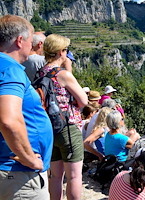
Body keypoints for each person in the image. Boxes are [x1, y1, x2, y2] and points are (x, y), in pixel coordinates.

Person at [0, 15, 53, 200]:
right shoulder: (10, 69)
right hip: (18, 177)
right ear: (19, 40)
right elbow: (8, 120)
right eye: (31, 41)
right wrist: (29, 158)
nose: (32, 47)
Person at [42, 33, 88, 200]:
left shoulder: (41, 72)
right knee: (74, 176)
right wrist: (69, 71)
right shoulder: (63, 74)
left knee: (55, 176)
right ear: (61, 52)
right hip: (68, 128)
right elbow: (83, 101)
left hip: (50, 127)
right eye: (66, 50)